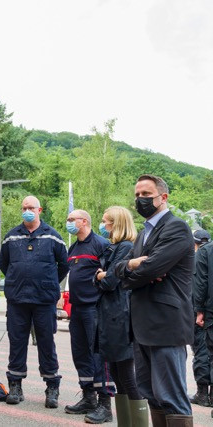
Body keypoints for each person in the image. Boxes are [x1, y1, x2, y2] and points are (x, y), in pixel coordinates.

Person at [115, 174, 195, 426]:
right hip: (142, 327)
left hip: (166, 325)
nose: (140, 199)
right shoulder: (143, 235)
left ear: (164, 197)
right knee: (152, 395)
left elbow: (150, 269)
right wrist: (131, 266)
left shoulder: (176, 227)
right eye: (137, 195)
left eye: (146, 195)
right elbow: (120, 270)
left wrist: (137, 270)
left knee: (172, 396)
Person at [0, 196, 69, 409]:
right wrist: (18, 280)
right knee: (16, 342)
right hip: (18, 299)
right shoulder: (11, 237)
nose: (27, 211)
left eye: (31, 208)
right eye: (24, 208)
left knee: (46, 342)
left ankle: (52, 387)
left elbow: (64, 265)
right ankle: (15, 385)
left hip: (44, 300)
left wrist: (47, 281)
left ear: (40, 210)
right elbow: (4, 264)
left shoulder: (53, 236)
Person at [92, 207, 147, 426]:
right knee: (115, 371)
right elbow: (98, 278)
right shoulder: (114, 247)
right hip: (110, 313)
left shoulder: (125, 247)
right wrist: (100, 277)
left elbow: (109, 281)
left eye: (106, 222)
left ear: (117, 224)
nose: (103, 226)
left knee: (125, 373)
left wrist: (101, 276)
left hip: (119, 314)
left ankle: (139, 422)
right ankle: (126, 421)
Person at [63, 209, 113, 421]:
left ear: (84, 221)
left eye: (72, 219)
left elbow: (111, 274)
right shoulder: (73, 247)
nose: (69, 223)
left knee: (98, 356)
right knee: (80, 353)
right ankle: (88, 397)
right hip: (77, 308)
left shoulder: (101, 244)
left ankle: (105, 405)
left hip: (95, 308)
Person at [190, 229, 213, 408]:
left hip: (205, 311)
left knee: (202, 351)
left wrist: (199, 311)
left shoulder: (202, 255)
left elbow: (200, 284)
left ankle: (203, 393)